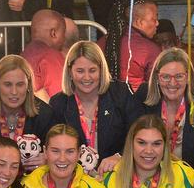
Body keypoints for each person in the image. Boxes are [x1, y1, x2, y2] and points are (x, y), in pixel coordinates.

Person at [50, 41, 139, 175]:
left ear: (101, 70)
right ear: (70, 72)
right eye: (80, 71)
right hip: (75, 179)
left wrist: (120, 156)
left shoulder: (121, 94)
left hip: (115, 176)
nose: (87, 77)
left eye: (92, 70)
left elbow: (138, 133)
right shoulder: (58, 103)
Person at [134, 47, 194, 168]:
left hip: (191, 180)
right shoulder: (143, 98)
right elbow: (129, 139)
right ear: (157, 77)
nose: (172, 83)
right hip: (150, 177)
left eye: (179, 76)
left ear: (188, 77)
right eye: (166, 77)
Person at [103, 0, 161, 91]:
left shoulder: (103, 42)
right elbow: (157, 87)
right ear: (139, 22)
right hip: (137, 103)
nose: (157, 23)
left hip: (105, 102)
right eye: (154, 19)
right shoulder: (150, 49)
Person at [21, 9, 67, 100]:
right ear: (53, 33)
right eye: (63, 33)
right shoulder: (52, 58)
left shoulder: (22, 56)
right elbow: (60, 99)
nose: (64, 39)